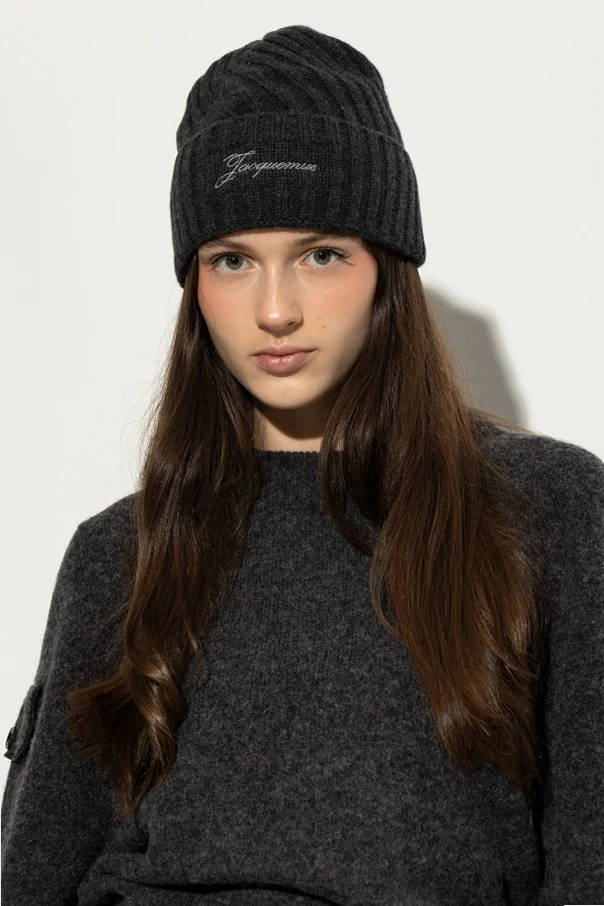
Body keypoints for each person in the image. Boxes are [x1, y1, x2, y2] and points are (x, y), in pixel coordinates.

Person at [2, 23, 603, 906]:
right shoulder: (120, 553)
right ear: (195, 284)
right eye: (232, 260)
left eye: (321, 255)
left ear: (386, 266)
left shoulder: (547, 509)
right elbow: (33, 874)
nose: (276, 309)